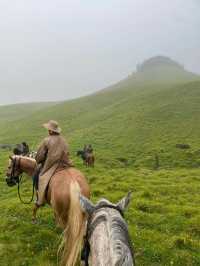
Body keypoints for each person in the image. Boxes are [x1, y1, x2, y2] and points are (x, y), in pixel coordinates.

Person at [34, 120, 73, 206]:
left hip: (51, 165)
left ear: (51, 131)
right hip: (65, 164)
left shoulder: (46, 140)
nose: (48, 131)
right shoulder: (64, 140)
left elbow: (39, 156)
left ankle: (40, 199)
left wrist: (38, 160)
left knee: (40, 176)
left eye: (48, 129)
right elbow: (67, 153)